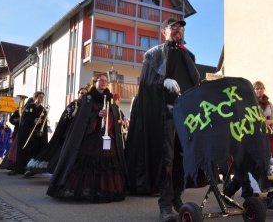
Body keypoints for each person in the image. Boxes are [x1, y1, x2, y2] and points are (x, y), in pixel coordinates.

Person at [125, 17, 200, 222]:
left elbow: (195, 84)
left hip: (186, 117)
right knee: (167, 160)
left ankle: (177, 196)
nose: (178, 31)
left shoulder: (188, 56)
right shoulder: (154, 55)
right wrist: (162, 81)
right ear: (164, 32)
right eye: (173, 27)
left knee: (185, 159)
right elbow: (146, 86)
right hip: (165, 115)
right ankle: (165, 204)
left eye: (181, 28)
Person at [46, 73, 126, 203]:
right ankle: (86, 189)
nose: (103, 83)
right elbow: (82, 118)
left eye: (106, 81)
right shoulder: (88, 98)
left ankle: (104, 189)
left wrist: (109, 118)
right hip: (90, 138)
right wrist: (97, 115)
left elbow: (116, 116)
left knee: (106, 164)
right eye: (101, 80)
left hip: (106, 138)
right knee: (87, 164)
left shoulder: (110, 98)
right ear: (95, 82)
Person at [26, 88, 87, 176]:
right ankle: (34, 169)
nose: (83, 95)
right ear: (78, 94)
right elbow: (65, 115)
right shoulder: (74, 104)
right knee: (56, 153)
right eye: (81, 93)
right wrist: (71, 115)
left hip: (80, 134)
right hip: (68, 134)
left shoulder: (87, 105)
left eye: (85, 93)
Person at [14, 92, 48, 176]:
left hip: (37, 135)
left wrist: (41, 121)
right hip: (28, 133)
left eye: (42, 97)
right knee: (27, 151)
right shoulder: (28, 108)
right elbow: (24, 121)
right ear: (35, 97)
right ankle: (26, 168)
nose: (41, 99)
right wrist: (34, 121)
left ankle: (32, 169)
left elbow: (44, 122)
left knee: (35, 151)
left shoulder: (42, 109)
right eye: (40, 97)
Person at [0, 97, 33, 174]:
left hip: (30, 133)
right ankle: (14, 167)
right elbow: (12, 119)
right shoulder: (20, 110)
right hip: (19, 131)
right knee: (16, 150)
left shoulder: (35, 110)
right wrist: (19, 119)